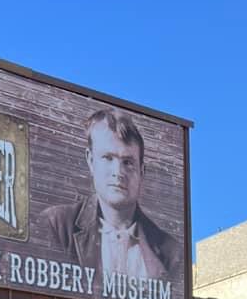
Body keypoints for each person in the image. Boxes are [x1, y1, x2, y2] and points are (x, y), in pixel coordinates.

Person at [41, 108, 182, 289]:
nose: (118, 172)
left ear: (142, 171)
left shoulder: (172, 253)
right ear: (91, 160)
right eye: (108, 158)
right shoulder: (57, 225)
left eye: (128, 162)